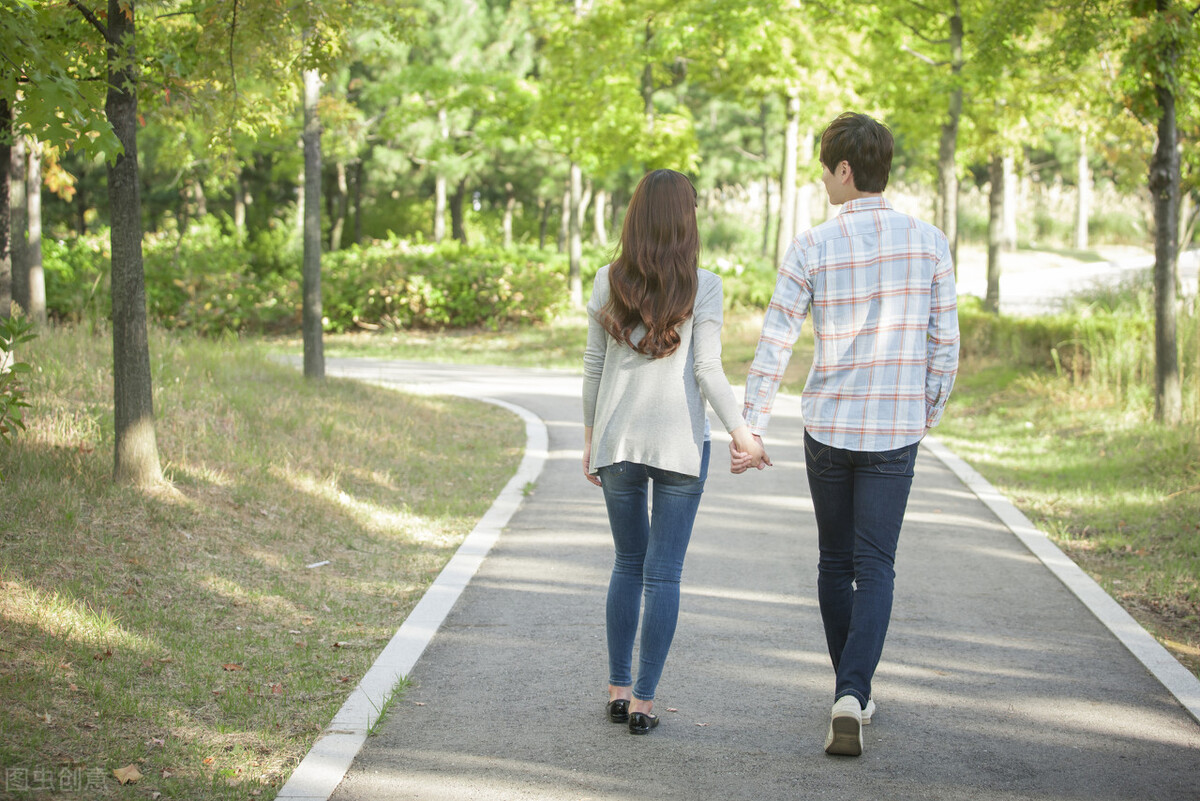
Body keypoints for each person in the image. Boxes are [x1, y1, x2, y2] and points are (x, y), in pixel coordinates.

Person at [732, 112, 959, 756]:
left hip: (829, 426)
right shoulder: (929, 242)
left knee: (835, 562)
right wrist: (923, 412)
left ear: (846, 171)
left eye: (826, 171)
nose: (822, 183)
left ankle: (849, 691)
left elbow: (776, 340)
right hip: (894, 430)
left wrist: (751, 423)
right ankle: (852, 693)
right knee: (876, 565)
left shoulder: (812, 246)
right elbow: (945, 346)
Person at [583, 168, 769, 735]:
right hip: (681, 445)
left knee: (626, 563)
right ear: (686, 221)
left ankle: (616, 689)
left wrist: (591, 442)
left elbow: (594, 368)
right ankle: (643, 703)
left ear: (636, 217)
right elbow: (707, 370)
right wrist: (744, 434)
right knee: (663, 575)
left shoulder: (606, 279)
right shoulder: (703, 284)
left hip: (617, 440)